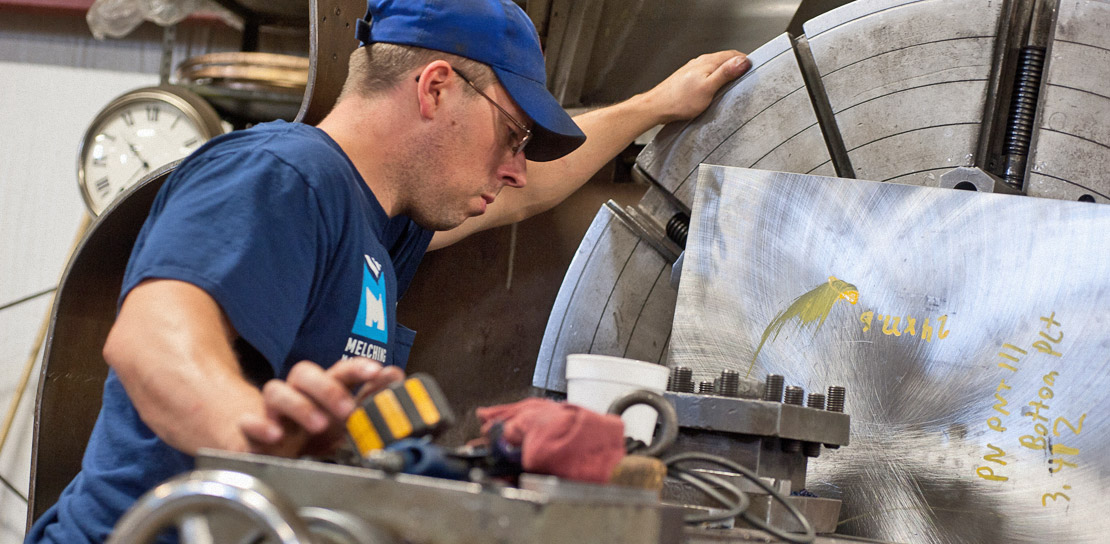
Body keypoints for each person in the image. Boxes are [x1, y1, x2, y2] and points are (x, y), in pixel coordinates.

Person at [26, 0, 749, 542]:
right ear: (435, 88)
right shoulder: (281, 175)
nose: (514, 165)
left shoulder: (377, 224)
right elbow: (149, 339)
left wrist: (656, 106)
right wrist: (258, 440)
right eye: (513, 133)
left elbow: (533, 190)